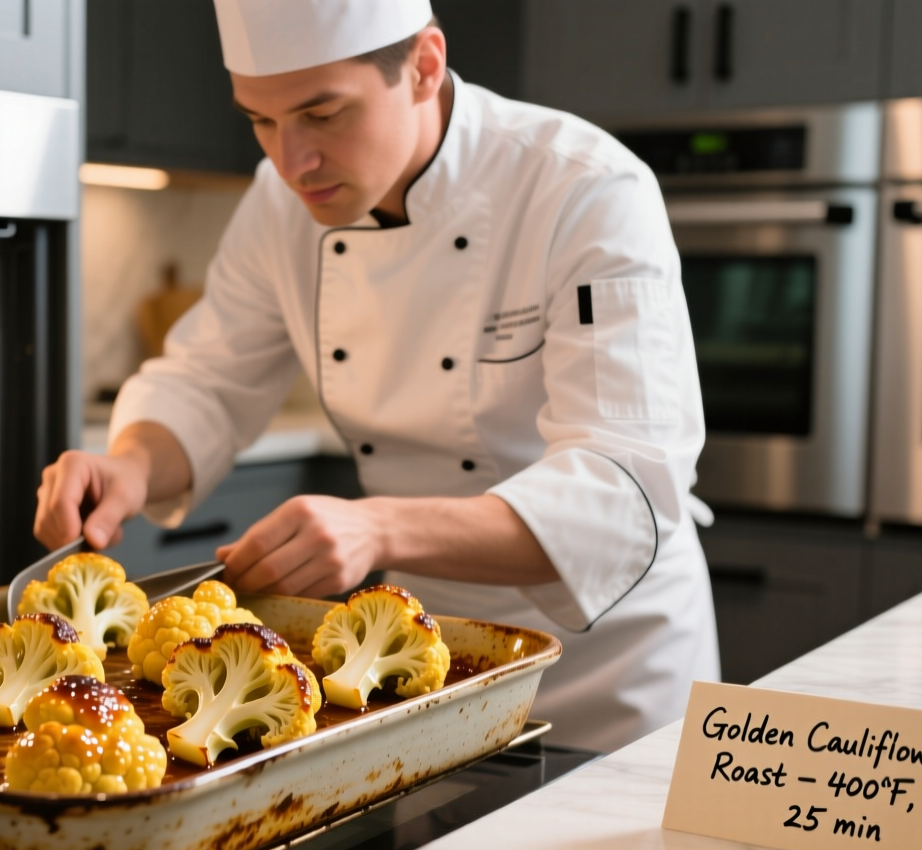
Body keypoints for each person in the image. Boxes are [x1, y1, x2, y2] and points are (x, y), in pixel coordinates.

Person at [36, 0, 719, 752]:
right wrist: (128, 465)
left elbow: (622, 494)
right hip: (420, 659)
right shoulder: (280, 203)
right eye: (260, 121)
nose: (292, 160)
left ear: (424, 66)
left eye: (323, 114)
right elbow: (208, 377)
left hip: (609, 665)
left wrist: (376, 526)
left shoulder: (584, 189)